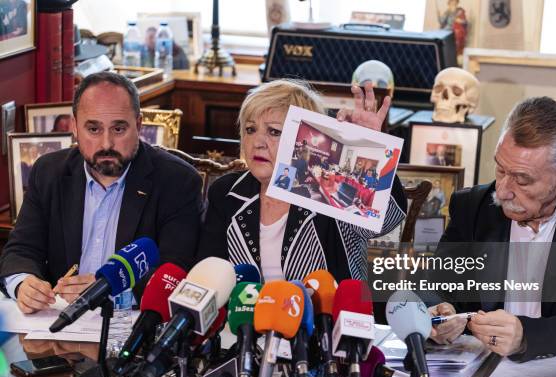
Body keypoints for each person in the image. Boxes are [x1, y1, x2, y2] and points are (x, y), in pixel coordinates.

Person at [0, 72, 203, 314]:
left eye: (118, 129)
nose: (106, 143)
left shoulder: (177, 181)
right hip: (56, 327)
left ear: (138, 125)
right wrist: (24, 284)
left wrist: (111, 292)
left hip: (133, 327)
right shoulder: (49, 172)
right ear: (75, 127)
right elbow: (21, 249)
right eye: (93, 129)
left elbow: (177, 271)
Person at [428, 97, 556, 362]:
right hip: (482, 371)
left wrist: (526, 336)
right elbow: (433, 286)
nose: (502, 191)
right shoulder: (473, 207)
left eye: (522, 179)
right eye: (501, 170)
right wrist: (438, 313)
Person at [198, 80, 406, 282]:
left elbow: (387, 222)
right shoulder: (226, 192)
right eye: (250, 129)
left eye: (274, 131)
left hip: (327, 317)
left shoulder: (326, 198)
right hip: (245, 316)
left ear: (300, 140)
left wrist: (374, 146)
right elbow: (208, 274)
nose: (257, 143)